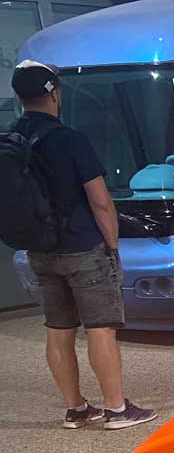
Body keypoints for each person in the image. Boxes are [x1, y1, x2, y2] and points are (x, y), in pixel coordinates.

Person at [7, 61, 156, 429]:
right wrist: (113, 247)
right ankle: (116, 409)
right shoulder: (69, 139)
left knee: (58, 330)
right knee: (100, 327)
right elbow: (100, 201)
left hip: (40, 250)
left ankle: (75, 408)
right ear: (55, 94)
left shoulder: (11, 141)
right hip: (83, 248)